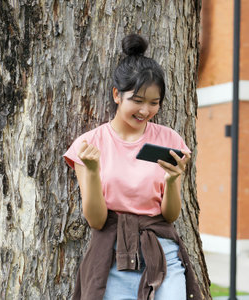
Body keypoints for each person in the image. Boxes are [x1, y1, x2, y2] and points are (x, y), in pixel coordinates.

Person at [63, 33, 200, 300]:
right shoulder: (89, 143)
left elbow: (170, 216)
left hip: (162, 254)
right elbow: (96, 220)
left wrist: (173, 181)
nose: (145, 110)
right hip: (112, 257)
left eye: (154, 102)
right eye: (137, 100)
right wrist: (92, 170)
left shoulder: (170, 140)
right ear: (117, 95)